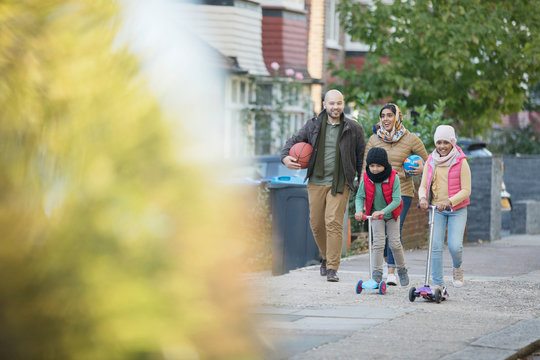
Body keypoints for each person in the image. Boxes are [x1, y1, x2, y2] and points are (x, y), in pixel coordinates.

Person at [281, 89, 366, 282]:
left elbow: (362, 157)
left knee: (333, 222)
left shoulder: (353, 128)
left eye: (339, 103)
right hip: (316, 181)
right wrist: (285, 157)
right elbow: (293, 141)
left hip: (340, 182)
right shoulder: (313, 125)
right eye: (332, 103)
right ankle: (326, 257)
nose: (336, 107)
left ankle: (332, 268)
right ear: (324, 105)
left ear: (343, 105)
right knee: (316, 224)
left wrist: (360, 183)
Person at [362, 103, 428, 285]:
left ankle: (391, 272)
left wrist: (410, 172)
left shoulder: (411, 139)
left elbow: (428, 163)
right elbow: (364, 170)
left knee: (394, 232)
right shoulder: (374, 140)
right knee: (380, 236)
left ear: (397, 117)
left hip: (402, 192)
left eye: (389, 115)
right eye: (383, 115)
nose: (386, 119)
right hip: (377, 194)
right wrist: (362, 192)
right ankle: (387, 262)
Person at [419, 125, 471, 293]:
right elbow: (423, 185)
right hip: (437, 210)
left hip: (457, 209)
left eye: (446, 142)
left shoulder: (461, 161)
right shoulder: (430, 161)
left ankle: (457, 268)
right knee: (435, 246)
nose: (442, 146)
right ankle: (438, 284)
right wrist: (422, 198)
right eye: (439, 142)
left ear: (452, 142)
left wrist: (449, 201)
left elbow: (466, 190)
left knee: (455, 246)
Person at [354, 147, 409, 286]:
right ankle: (377, 275)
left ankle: (402, 270)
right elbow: (360, 196)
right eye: (372, 166)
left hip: (391, 215)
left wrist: (383, 211)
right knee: (378, 244)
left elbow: (397, 200)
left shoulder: (393, 177)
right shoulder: (366, 178)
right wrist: (359, 210)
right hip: (375, 216)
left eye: (378, 166)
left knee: (395, 244)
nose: (375, 169)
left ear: (384, 165)